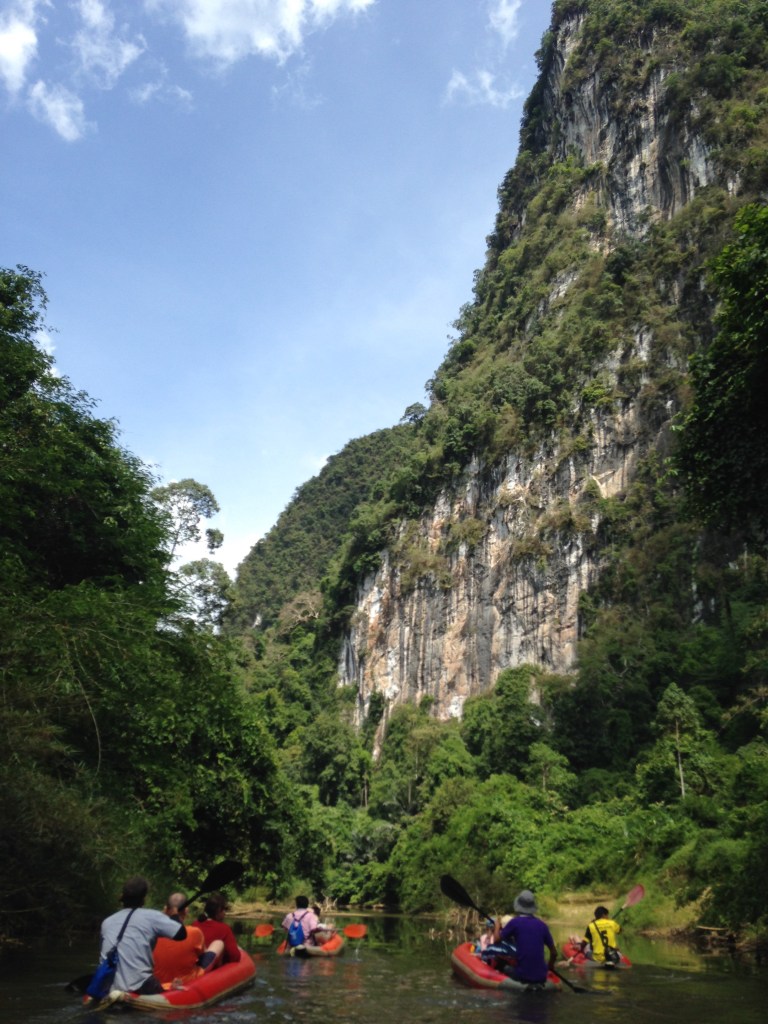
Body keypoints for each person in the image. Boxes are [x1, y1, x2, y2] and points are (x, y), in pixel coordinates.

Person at [96, 877, 187, 996]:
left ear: (122, 896)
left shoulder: (107, 922)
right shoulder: (152, 916)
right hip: (141, 986)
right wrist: (175, 913)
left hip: (107, 986)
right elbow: (181, 934)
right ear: (143, 899)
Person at [493, 890, 557, 986]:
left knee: (502, 964)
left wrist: (497, 926)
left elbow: (496, 940)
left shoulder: (515, 922)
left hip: (522, 976)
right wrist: (550, 965)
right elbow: (554, 953)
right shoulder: (542, 925)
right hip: (541, 977)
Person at [153, 892, 215, 988]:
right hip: (187, 980)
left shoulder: (152, 933)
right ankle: (219, 973)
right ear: (186, 911)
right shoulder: (195, 932)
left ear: (165, 909)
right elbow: (203, 956)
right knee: (218, 944)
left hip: (159, 983)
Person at [195, 892, 240, 967]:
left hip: (195, 966)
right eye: (224, 910)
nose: (225, 913)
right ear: (218, 911)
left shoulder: (195, 924)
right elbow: (235, 956)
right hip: (211, 970)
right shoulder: (224, 928)